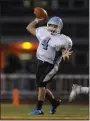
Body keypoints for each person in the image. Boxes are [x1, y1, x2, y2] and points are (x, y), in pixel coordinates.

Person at [26, 16, 73, 115]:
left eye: (55, 26)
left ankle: (38, 109)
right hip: (40, 62)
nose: (52, 28)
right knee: (40, 86)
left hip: (51, 65)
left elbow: (64, 50)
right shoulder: (43, 31)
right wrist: (36, 20)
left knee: (41, 85)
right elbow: (29, 28)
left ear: (59, 27)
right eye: (50, 25)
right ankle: (54, 102)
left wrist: (64, 53)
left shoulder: (63, 39)